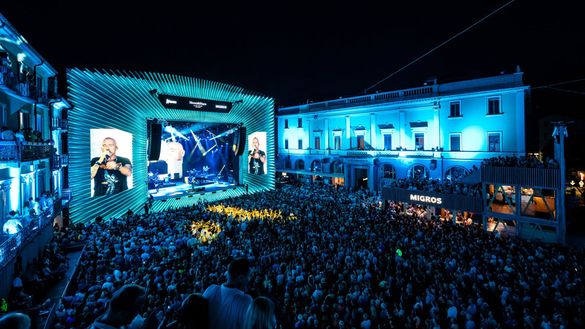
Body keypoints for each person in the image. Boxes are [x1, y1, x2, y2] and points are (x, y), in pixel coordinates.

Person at [203, 258, 253, 329]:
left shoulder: (210, 289)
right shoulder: (246, 301)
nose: (250, 279)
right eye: (249, 276)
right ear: (241, 278)